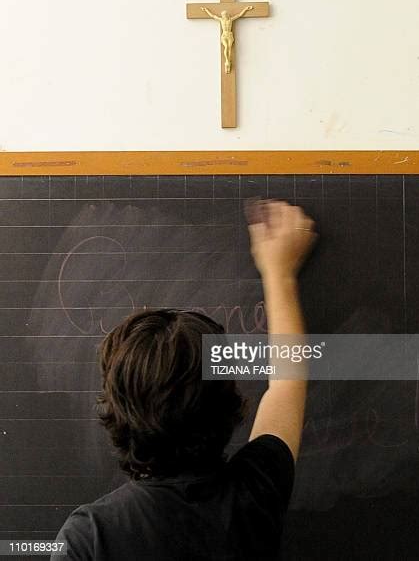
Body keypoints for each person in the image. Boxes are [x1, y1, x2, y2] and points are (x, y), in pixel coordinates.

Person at [52, 200, 317, 560]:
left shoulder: (90, 537)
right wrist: (279, 273)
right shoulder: (254, 495)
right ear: (228, 407)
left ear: (118, 414)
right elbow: (288, 379)